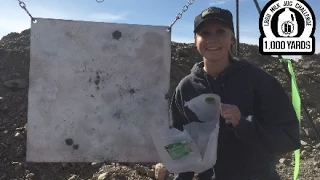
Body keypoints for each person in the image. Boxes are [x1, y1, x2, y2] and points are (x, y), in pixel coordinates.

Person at [169, 6, 301, 180]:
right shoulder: (186, 88)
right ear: (195, 41)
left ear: (232, 38)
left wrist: (244, 125)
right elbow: (178, 141)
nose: (212, 39)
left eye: (220, 31)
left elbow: (288, 137)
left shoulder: (259, 81)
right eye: (205, 33)